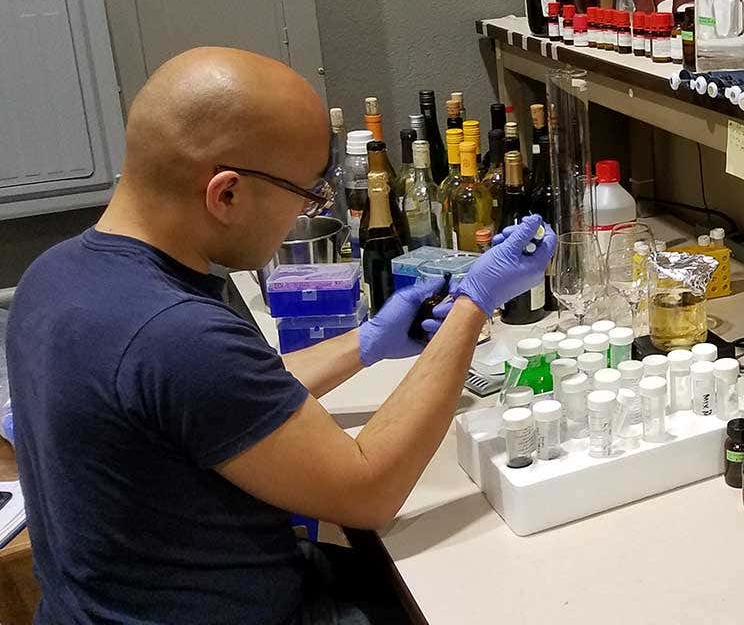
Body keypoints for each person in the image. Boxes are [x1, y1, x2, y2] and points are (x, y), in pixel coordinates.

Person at [4, 47, 556, 624]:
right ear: (227, 194)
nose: (312, 209)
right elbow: (370, 492)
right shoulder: (176, 336)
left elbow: (220, 404)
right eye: (309, 194)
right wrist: (475, 300)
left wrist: (366, 341)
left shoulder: (53, 275)